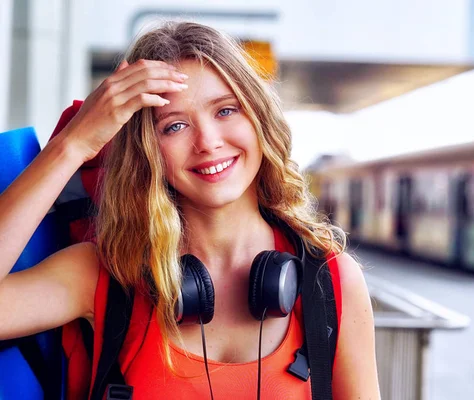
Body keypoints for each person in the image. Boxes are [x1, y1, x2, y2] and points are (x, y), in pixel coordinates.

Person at [0, 22, 380, 399]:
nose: (208, 143)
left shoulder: (331, 282)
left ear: (258, 118)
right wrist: (73, 145)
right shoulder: (107, 274)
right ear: (147, 152)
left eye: (226, 110)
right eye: (174, 126)